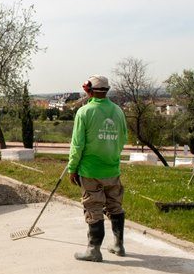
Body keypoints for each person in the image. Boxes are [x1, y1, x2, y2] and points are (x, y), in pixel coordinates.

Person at [68, 75, 128, 262]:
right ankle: (118, 245)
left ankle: (94, 250)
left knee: (93, 207)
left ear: (89, 90)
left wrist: (72, 167)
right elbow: (123, 138)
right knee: (115, 206)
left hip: (90, 170)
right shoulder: (118, 111)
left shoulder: (84, 112)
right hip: (112, 168)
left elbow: (77, 144)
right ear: (107, 90)